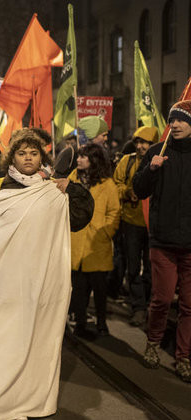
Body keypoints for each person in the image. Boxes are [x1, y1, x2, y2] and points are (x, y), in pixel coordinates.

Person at [133, 100, 191, 383]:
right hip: (163, 242)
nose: (175, 124)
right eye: (172, 120)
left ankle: (183, 356)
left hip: (190, 244)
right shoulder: (158, 151)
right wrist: (151, 170)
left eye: (181, 119)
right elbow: (139, 189)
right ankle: (153, 343)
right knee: (162, 299)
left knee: (189, 305)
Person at [0, 128, 94, 232]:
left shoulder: (54, 188)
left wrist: (73, 190)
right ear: (12, 158)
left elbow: (79, 219)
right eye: (21, 153)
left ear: (41, 158)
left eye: (34, 153)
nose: (28, 158)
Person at [67, 143, 121, 337]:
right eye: (79, 156)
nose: (79, 159)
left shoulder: (107, 184)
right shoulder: (71, 180)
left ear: (94, 160)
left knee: (99, 288)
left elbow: (114, 212)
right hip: (76, 239)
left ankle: (101, 322)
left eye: (83, 156)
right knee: (79, 288)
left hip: (97, 243)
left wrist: (105, 232)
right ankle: (80, 322)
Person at [113, 126, 158, 326]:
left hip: (153, 225)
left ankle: (148, 304)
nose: (140, 146)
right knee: (132, 268)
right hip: (130, 222)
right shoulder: (127, 161)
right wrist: (126, 192)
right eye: (138, 142)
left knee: (151, 268)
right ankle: (138, 307)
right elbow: (115, 185)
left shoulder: (161, 162)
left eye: (145, 142)